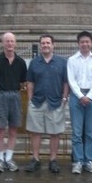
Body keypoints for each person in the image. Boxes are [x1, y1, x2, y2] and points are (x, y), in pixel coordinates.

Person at [24, 34, 69, 174]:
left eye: (48, 43)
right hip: (37, 101)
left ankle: (53, 160)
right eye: (43, 43)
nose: (45, 45)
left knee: (55, 133)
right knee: (35, 132)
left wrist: (64, 98)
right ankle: (35, 159)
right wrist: (30, 98)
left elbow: (65, 82)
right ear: (40, 45)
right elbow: (30, 82)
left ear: (53, 45)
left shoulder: (62, 62)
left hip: (55, 102)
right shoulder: (34, 62)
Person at [0, 32, 28, 173]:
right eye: (7, 41)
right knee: (0, 129)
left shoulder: (21, 62)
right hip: (0, 95)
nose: (10, 44)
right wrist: (0, 94)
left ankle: (9, 158)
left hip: (15, 96)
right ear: (3, 43)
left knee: (13, 129)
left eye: (12, 41)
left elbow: (23, 82)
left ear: (15, 43)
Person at [67, 30, 92, 174]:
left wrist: (89, 96)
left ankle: (89, 160)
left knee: (90, 132)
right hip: (77, 96)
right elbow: (71, 80)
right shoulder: (71, 60)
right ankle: (78, 161)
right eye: (82, 42)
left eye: (87, 41)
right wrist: (81, 95)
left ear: (91, 43)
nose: (85, 44)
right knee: (76, 132)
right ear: (78, 43)